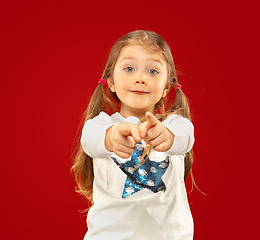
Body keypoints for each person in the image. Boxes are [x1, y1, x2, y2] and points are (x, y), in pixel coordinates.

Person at [71, 30, 196, 240]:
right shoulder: (100, 125)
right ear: (110, 81)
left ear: (166, 87)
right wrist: (112, 138)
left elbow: (184, 139)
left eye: (153, 71)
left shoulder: (176, 125)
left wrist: (166, 136)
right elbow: (90, 141)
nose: (140, 78)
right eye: (129, 68)